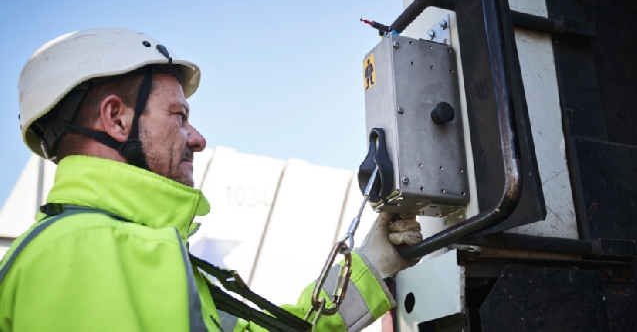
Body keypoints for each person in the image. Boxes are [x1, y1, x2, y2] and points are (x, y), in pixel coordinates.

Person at [0, 28, 423, 331]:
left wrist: (368, 267)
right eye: (178, 117)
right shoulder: (88, 249)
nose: (198, 139)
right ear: (116, 118)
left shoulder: (132, 248)